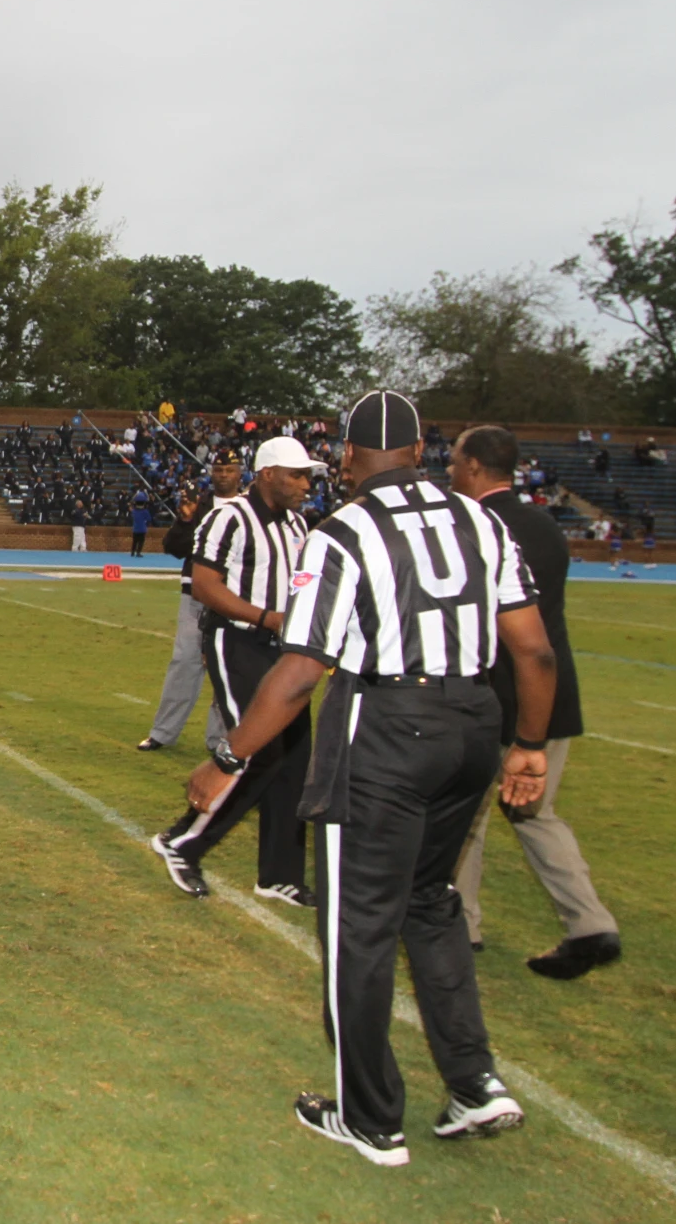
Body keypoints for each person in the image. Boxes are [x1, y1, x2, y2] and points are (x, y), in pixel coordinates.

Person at [183, 390, 557, 1166]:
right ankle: (475, 1081)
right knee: (433, 901)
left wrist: (227, 760)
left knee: (358, 925)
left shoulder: (345, 530)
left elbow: (300, 670)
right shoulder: (482, 521)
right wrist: (528, 746)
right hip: (474, 722)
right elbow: (534, 649)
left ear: (348, 457)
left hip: (388, 726)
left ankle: (371, 1116)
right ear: (421, 450)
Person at [447, 426, 621, 980]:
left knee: (463, 816)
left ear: (473, 467)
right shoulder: (545, 525)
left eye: (454, 461)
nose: (449, 470)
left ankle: (462, 924)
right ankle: (590, 922)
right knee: (533, 811)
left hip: (494, 693)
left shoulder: (472, 525)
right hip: (552, 696)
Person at [150, 437, 321, 905]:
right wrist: (265, 617)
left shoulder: (296, 524)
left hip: (284, 650)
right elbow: (204, 586)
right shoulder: (229, 517)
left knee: (294, 757)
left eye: (308, 475)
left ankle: (279, 874)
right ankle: (186, 844)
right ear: (268, 474)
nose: (306, 484)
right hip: (237, 639)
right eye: (297, 474)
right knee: (259, 748)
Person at [140, 457, 244, 752]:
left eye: (229, 470)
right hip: (196, 593)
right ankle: (163, 732)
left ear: (240, 473)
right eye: (219, 470)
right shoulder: (200, 506)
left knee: (227, 667)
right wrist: (185, 520)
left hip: (234, 596)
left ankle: (219, 739)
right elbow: (175, 548)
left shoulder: (249, 508)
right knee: (184, 663)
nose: (223, 475)